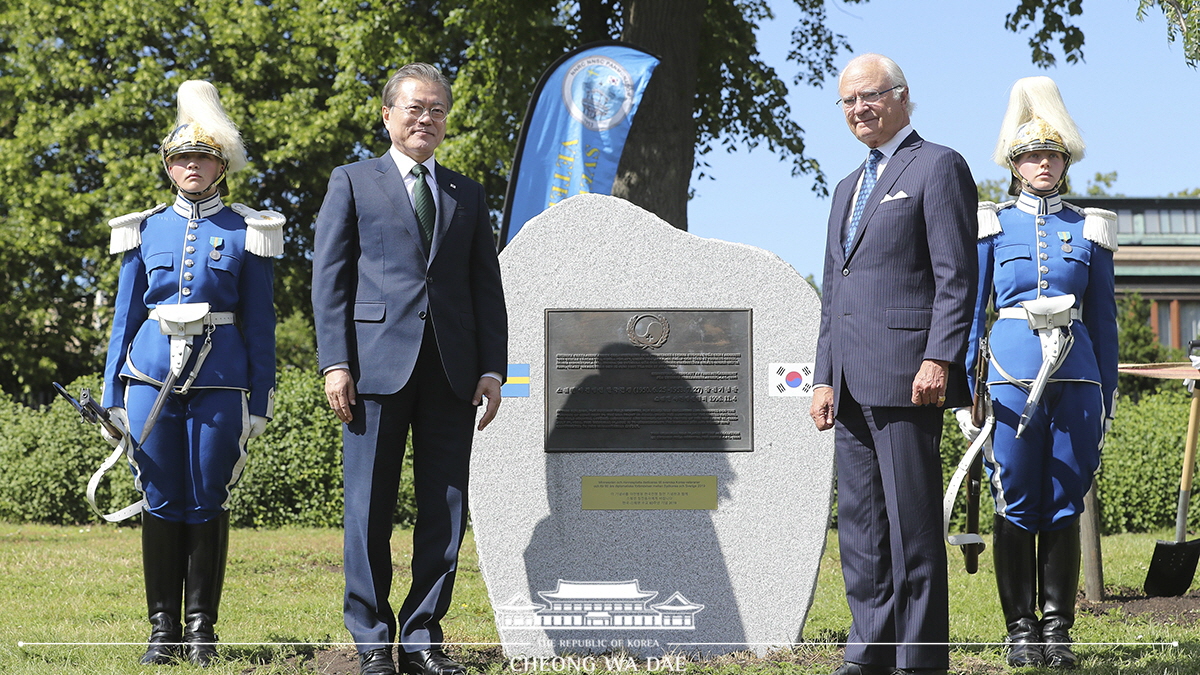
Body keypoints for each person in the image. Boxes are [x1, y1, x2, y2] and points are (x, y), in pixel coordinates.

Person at [311, 63, 507, 675]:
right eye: (415, 108)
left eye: (438, 111)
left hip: (452, 371)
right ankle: (372, 642)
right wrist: (335, 362)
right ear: (388, 115)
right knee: (368, 506)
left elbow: (485, 287)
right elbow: (330, 281)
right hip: (372, 370)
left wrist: (493, 370)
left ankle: (423, 636)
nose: (427, 119)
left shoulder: (465, 193)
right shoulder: (351, 181)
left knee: (444, 507)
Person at [101, 80, 282, 666]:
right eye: (181, 158)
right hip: (148, 380)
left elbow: (260, 323)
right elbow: (124, 318)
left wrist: (260, 399)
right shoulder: (144, 228)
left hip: (220, 381)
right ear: (168, 168)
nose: (191, 166)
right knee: (158, 499)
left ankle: (201, 630)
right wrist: (112, 397)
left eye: (203, 156)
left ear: (221, 164)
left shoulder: (247, 230)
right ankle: (162, 632)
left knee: (207, 498)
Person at [809, 53, 977, 675]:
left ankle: (920, 661)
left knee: (912, 535)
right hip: (849, 385)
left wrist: (940, 356)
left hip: (910, 378)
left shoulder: (938, 167)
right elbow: (836, 291)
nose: (859, 110)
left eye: (870, 97)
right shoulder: (845, 189)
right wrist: (824, 375)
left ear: (903, 96)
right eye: (848, 101)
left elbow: (956, 275)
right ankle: (869, 654)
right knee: (861, 536)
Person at [959, 76, 1117, 670]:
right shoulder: (992, 225)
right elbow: (974, 313)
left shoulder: (1090, 229)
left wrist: (1110, 391)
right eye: (1030, 156)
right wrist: (963, 392)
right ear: (1016, 165)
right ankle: (1019, 629)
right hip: (1008, 377)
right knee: (1016, 498)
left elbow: (1103, 318)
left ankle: (1059, 631)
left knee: (1065, 499)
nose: (1041, 164)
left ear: (1064, 162)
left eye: (1051, 155)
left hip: (1077, 381)